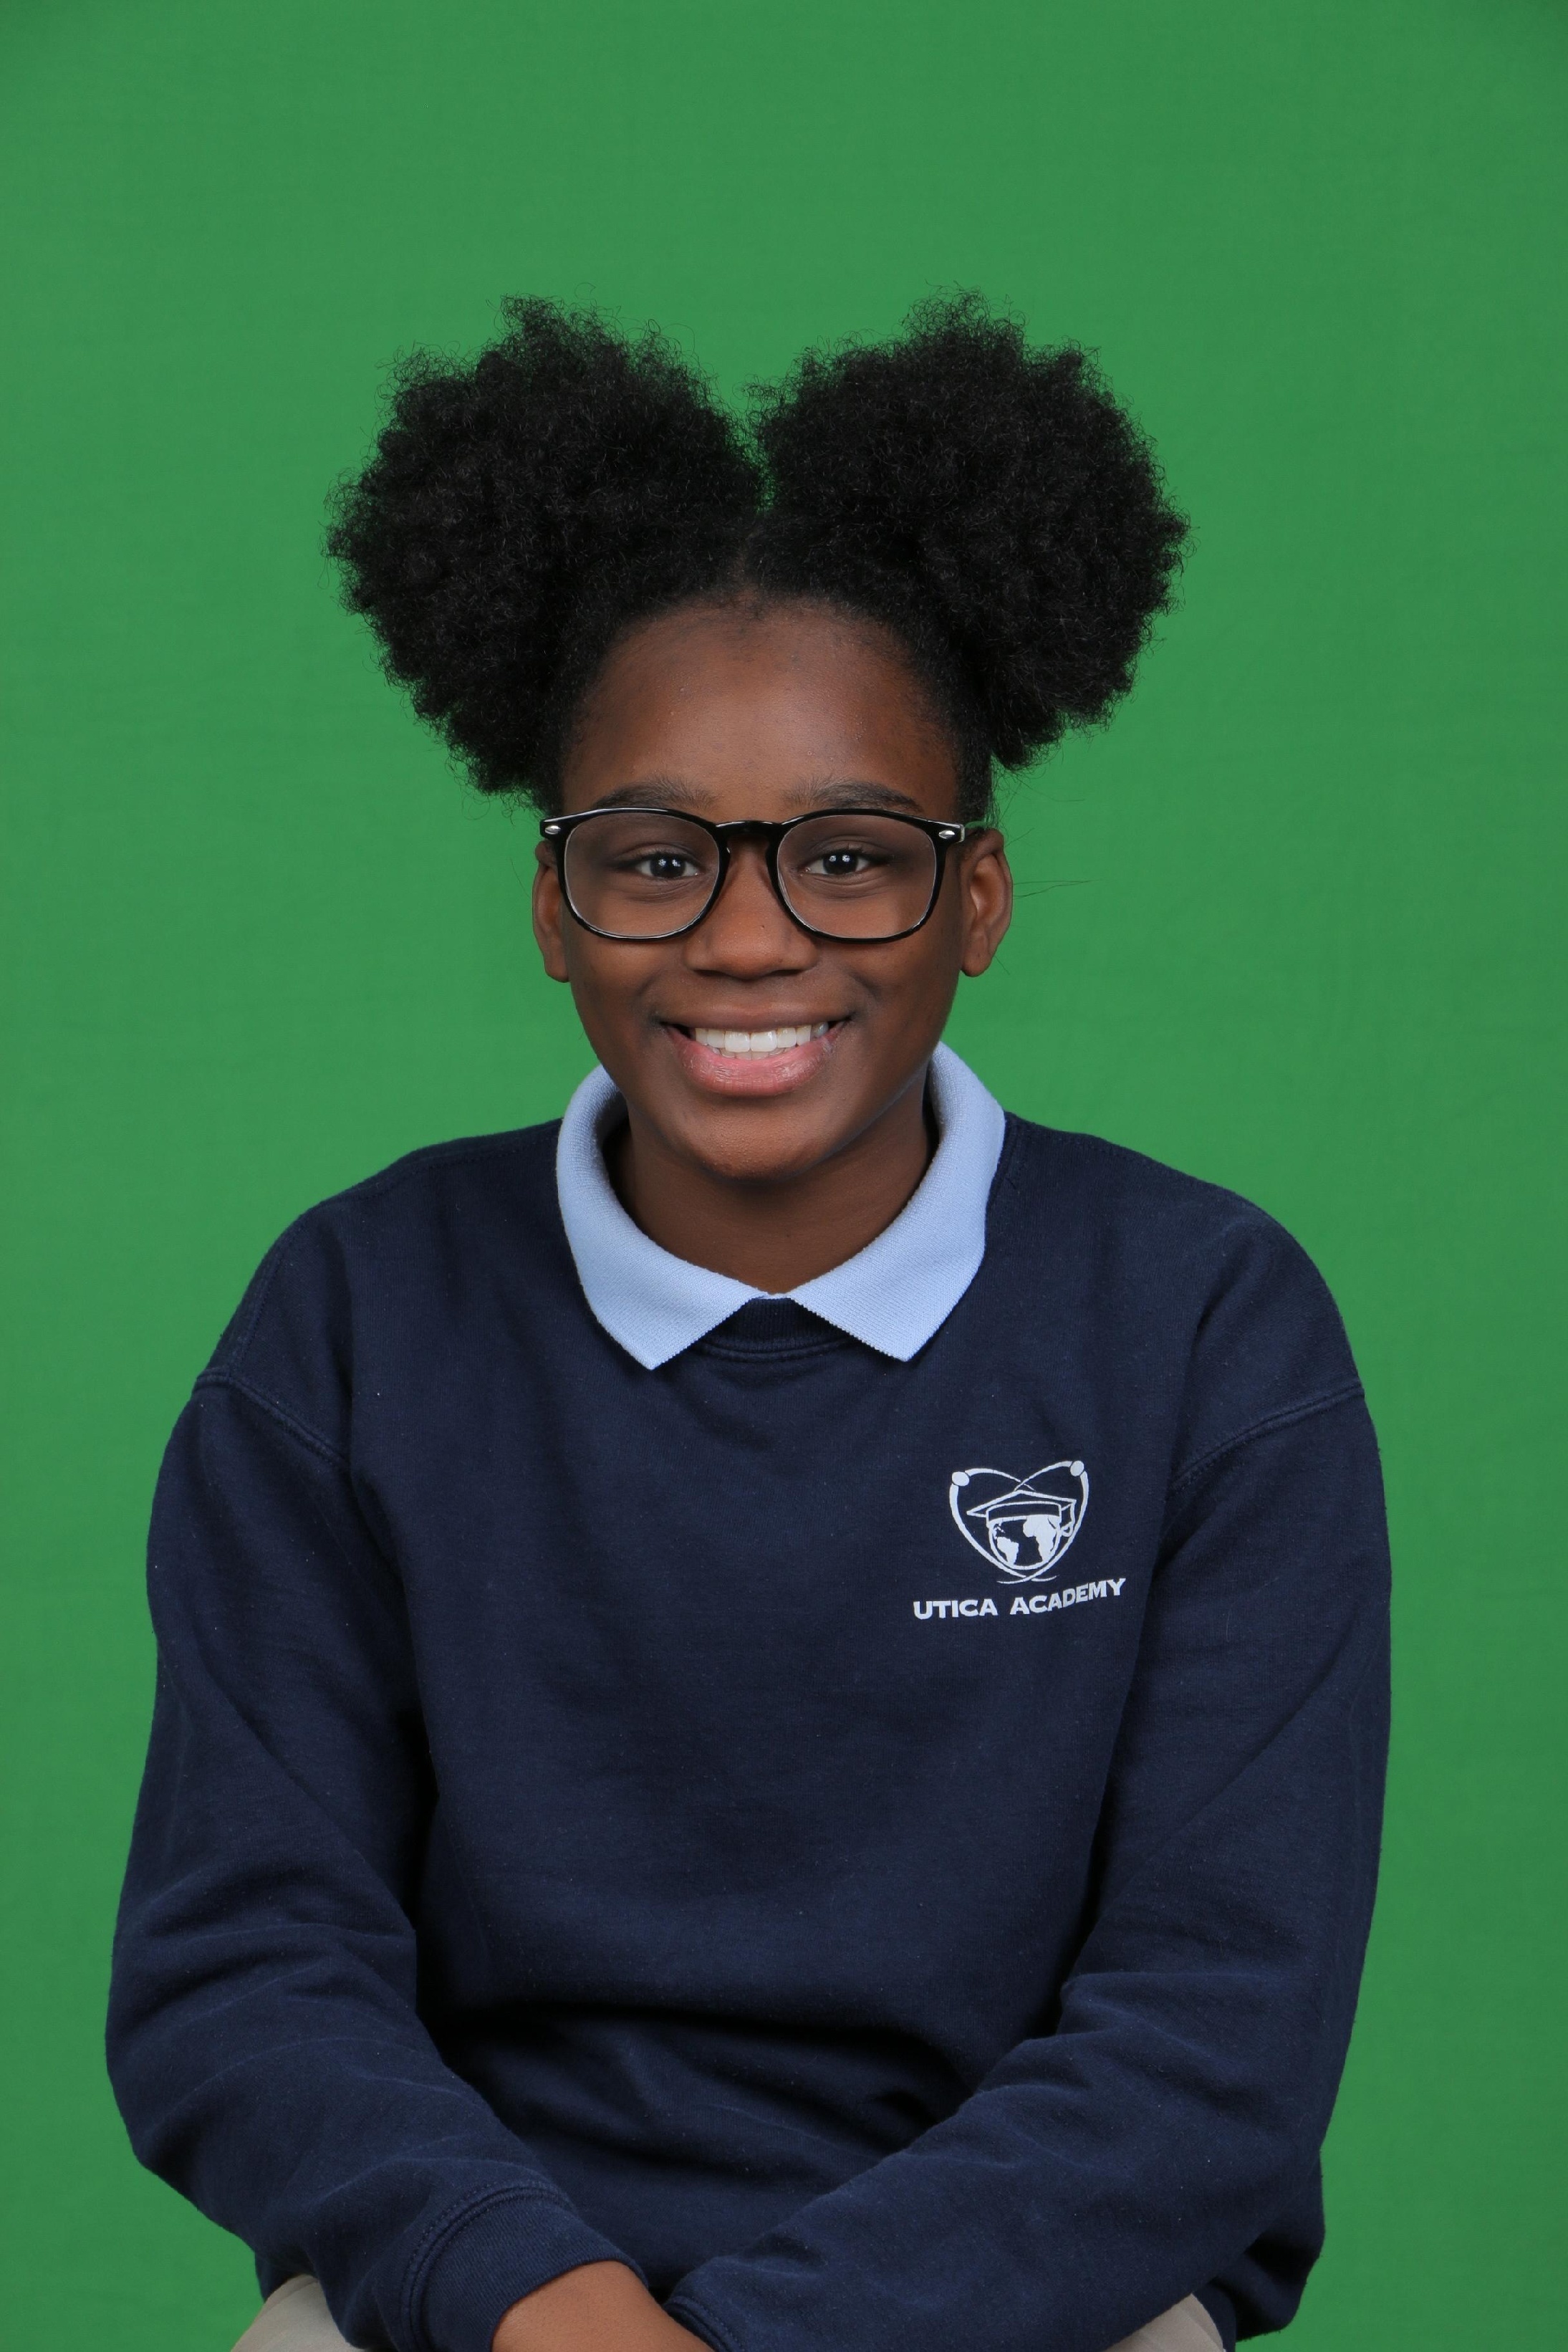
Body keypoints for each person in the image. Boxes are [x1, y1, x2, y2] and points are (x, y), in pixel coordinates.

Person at [107, 297, 1390, 2352]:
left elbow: (1216, 2034)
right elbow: (247, 1969)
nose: (748, 933)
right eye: (653, 857)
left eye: (852, 856)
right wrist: (554, 2307)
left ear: (980, 899)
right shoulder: (354, 1315)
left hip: (1034, 2303)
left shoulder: (1205, 1330)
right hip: (488, 2304)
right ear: (554, 905)